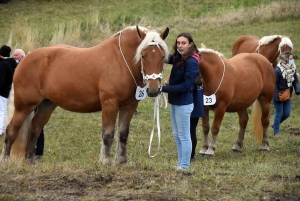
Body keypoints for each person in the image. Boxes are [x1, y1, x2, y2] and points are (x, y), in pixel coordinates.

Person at [162, 33, 199, 171]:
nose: (180, 46)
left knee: (184, 135)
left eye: (183, 43)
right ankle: (180, 163)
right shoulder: (179, 58)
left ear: (190, 44)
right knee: (177, 135)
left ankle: (185, 165)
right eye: (178, 43)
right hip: (175, 102)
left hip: (184, 104)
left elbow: (186, 86)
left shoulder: (192, 62)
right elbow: (166, 57)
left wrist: (164, 88)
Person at [272, 52, 300, 137]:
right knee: (279, 113)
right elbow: (274, 85)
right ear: (285, 59)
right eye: (291, 59)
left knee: (287, 113)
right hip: (278, 94)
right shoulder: (277, 70)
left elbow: (295, 80)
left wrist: (297, 89)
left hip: (287, 93)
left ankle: (275, 124)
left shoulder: (292, 68)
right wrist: (276, 96)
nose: (292, 60)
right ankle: (276, 132)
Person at [0, 45, 17, 136]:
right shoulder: (13, 62)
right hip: (9, 90)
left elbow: (1, 79)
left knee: (1, 111)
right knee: (5, 110)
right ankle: (5, 127)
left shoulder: (3, 64)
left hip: (2, 91)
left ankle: (0, 129)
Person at [190, 75, 204, 161]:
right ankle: (192, 154)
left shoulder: (191, 79)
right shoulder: (200, 79)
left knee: (189, 132)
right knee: (192, 130)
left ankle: (191, 155)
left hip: (190, 107)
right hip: (198, 107)